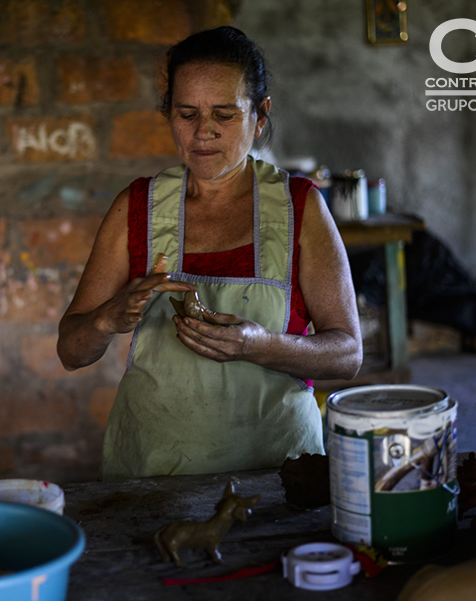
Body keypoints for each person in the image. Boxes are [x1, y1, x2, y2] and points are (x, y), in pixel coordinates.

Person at [57, 26, 363, 481]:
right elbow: (71, 351)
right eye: (186, 114)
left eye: (224, 114)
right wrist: (107, 318)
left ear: (260, 117)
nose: (203, 132)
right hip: (154, 473)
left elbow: (347, 354)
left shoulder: (300, 207)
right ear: (168, 116)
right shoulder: (137, 208)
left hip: (277, 474)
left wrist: (260, 346)